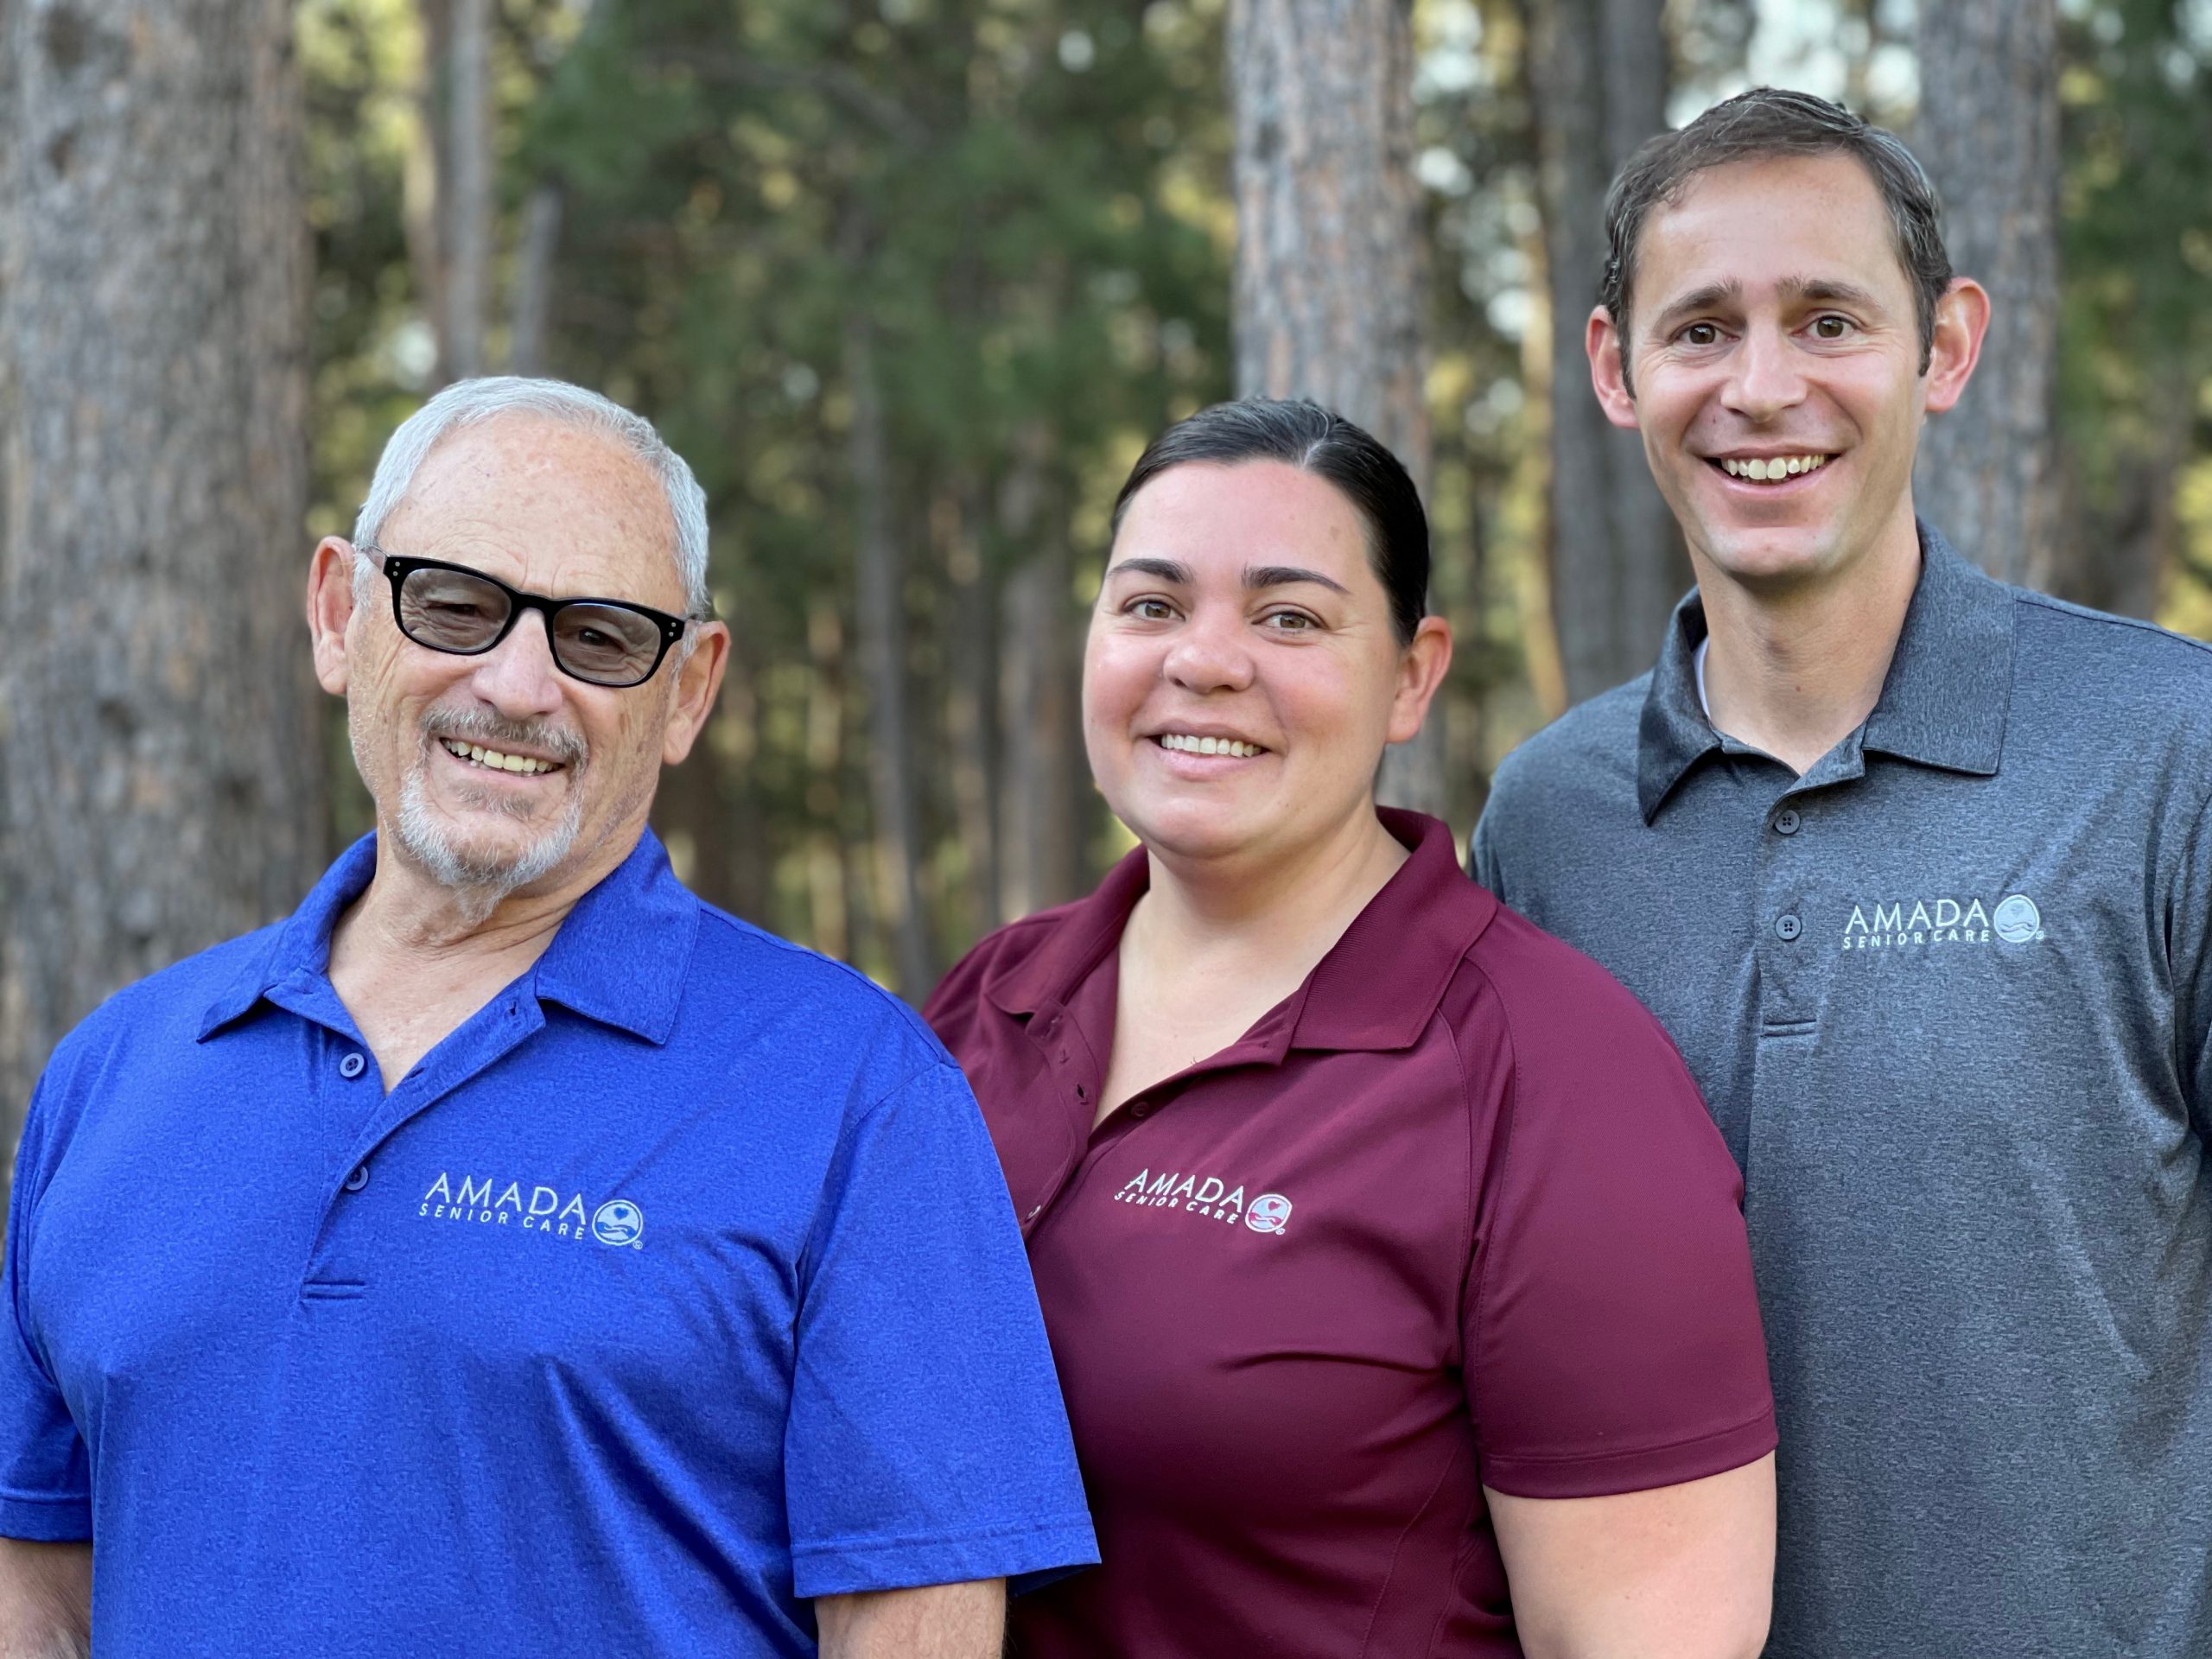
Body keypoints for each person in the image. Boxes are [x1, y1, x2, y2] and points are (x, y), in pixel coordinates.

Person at [0, 377, 1096, 1657]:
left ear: (686, 691)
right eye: (456, 605)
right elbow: (37, 1589)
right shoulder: (116, 1070)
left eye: (601, 635)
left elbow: (917, 1629)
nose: (520, 686)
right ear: (340, 614)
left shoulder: (856, 1092)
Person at [1471, 87, 2212, 1658]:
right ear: (1615, 368)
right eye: (1700, 330)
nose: (1762, 388)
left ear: (1944, 347)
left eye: (1826, 320)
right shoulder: (1548, 824)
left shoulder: (2169, 752)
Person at [925, 397, 1777, 1659]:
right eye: (1151, 605)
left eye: (1290, 617)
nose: (1204, 662)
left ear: (1412, 675)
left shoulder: (1552, 1079)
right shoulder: (985, 1002)